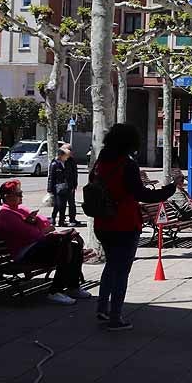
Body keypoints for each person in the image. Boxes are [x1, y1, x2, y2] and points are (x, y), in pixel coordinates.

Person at [91, 123, 176, 331]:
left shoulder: (101, 160)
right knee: (121, 271)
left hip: (102, 222)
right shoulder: (127, 165)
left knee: (110, 266)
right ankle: (116, 316)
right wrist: (167, 192)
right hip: (124, 223)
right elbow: (141, 194)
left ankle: (102, 307)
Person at [0, 179, 89, 305]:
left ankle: (73, 287)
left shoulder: (20, 208)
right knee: (64, 247)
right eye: (18, 194)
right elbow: (34, 234)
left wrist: (35, 225)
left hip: (36, 246)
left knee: (74, 246)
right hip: (25, 252)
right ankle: (55, 291)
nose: (21, 196)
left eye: (21, 192)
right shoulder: (5, 214)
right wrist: (36, 226)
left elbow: (46, 223)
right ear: (7, 197)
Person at [47, 148, 70, 227]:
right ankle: (54, 219)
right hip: (57, 187)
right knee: (59, 205)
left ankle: (61, 220)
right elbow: (51, 177)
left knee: (61, 205)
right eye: (65, 156)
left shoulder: (65, 163)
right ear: (61, 156)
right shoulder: (54, 164)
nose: (66, 158)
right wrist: (50, 189)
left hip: (64, 187)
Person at [63, 144, 82, 226]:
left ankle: (72, 219)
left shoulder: (72, 161)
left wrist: (75, 185)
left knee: (71, 203)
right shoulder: (60, 160)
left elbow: (75, 174)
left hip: (70, 185)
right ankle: (62, 219)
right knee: (61, 204)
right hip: (62, 186)